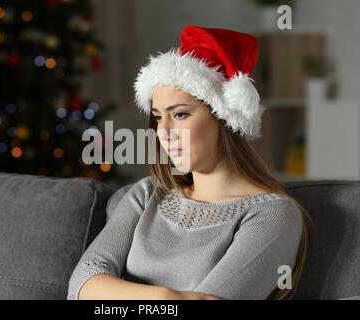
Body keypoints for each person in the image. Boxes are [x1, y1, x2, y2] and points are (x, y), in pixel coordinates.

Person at [67, 25, 314, 300]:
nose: (163, 131)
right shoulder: (148, 193)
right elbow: (82, 283)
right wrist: (165, 297)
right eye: (158, 117)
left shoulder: (273, 214)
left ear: (224, 120)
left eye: (181, 114)